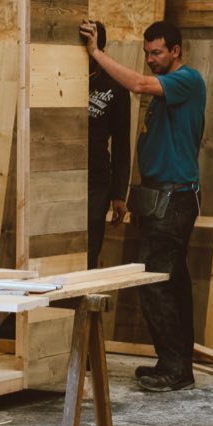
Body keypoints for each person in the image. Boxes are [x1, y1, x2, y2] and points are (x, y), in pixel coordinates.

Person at [79, 18, 205, 392]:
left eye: (157, 53)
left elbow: (135, 84)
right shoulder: (166, 87)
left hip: (175, 198)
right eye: (147, 53)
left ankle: (174, 368)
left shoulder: (187, 80)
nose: (150, 59)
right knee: (172, 282)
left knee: (155, 283)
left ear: (176, 51)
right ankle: (178, 363)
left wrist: (96, 53)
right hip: (160, 196)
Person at [85, 20, 130, 269]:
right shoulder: (57, 77)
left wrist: (119, 194)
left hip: (95, 179)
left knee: (89, 246)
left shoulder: (115, 85)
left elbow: (122, 142)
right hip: (58, 174)